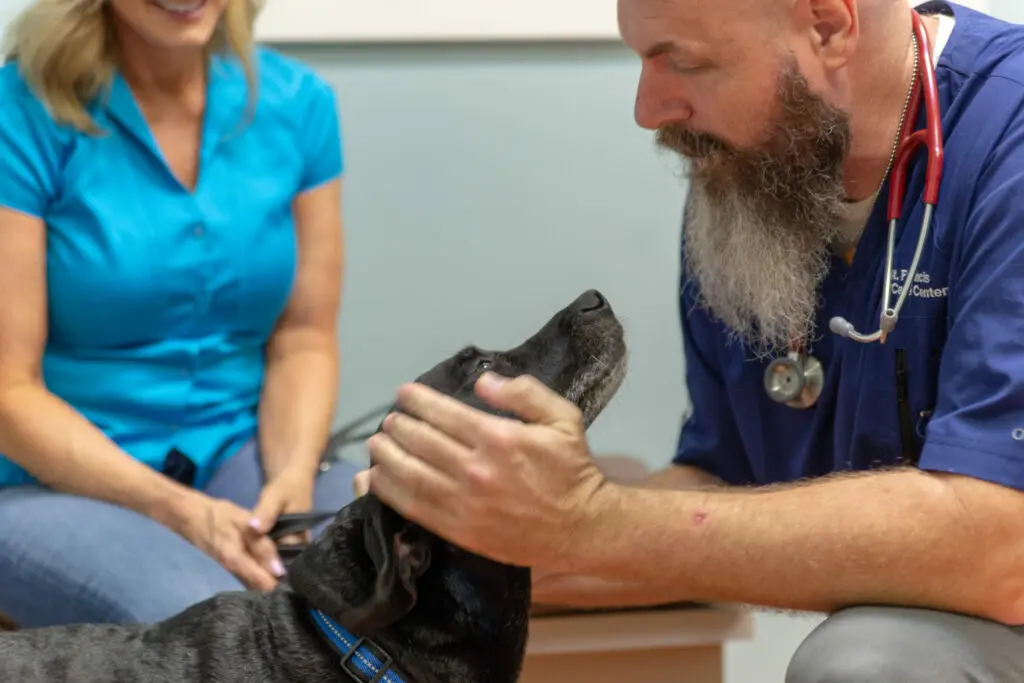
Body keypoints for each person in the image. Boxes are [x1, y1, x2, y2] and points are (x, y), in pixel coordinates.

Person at [355, 1, 1024, 680]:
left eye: (683, 61)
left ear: (827, 25)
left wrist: (588, 521)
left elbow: (1005, 545)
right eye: (640, 58)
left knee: (869, 665)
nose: (648, 109)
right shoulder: (753, 182)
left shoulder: (1009, 135)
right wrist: (477, 534)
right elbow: (727, 484)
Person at [0, 0, 360, 627]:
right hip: (45, 478)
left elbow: (302, 339)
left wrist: (291, 489)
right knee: (213, 625)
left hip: (236, 452)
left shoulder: (298, 105)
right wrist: (179, 512)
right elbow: (9, 390)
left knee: (412, 565)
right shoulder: (19, 113)